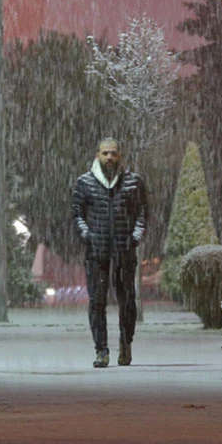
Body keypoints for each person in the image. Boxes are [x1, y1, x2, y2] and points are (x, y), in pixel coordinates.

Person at [72, 138, 148, 368]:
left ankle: (126, 343)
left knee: (127, 301)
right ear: (97, 155)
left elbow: (143, 213)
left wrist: (135, 236)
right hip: (97, 251)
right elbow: (77, 214)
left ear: (120, 155)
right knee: (97, 301)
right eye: (105, 153)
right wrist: (87, 235)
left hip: (125, 250)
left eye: (113, 153)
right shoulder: (84, 183)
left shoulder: (133, 182)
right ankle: (101, 350)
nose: (109, 157)